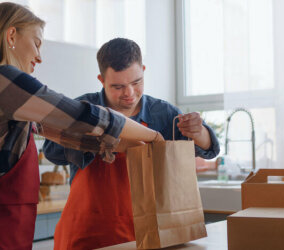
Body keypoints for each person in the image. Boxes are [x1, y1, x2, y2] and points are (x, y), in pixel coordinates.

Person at [0, 4, 163, 250]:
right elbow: (80, 116)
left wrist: (126, 144)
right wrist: (153, 135)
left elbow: (70, 135)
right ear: (11, 36)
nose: (39, 57)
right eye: (37, 43)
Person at [43, 38, 220, 249]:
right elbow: (51, 151)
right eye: (118, 86)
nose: (129, 93)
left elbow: (210, 151)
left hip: (147, 234)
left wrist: (199, 132)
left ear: (143, 70)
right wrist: (101, 138)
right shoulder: (83, 109)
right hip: (86, 234)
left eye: (136, 82)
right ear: (101, 79)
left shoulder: (163, 114)